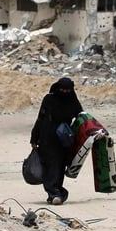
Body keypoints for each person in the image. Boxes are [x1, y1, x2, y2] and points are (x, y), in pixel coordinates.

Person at [30, 77, 83, 205]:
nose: (65, 92)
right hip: (47, 137)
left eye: (67, 90)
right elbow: (40, 118)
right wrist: (34, 137)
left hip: (63, 139)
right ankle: (54, 193)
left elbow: (81, 117)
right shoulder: (49, 99)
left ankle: (56, 192)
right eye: (62, 90)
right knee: (50, 165)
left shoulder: (73, 101)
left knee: (60, 166)